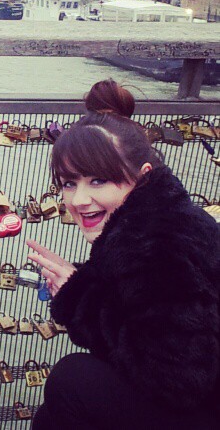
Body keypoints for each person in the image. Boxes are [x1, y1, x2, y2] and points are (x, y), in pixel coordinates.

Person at [26, 79, 219, 430]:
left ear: (141, 176)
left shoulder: (158, 245)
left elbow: (179, 378)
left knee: (70, 381)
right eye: (69, 183)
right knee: (53, 416)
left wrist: (79, 297)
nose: (79, 200)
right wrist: (82, 287)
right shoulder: (154, 219)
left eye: (98, 181)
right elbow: (151, 324)